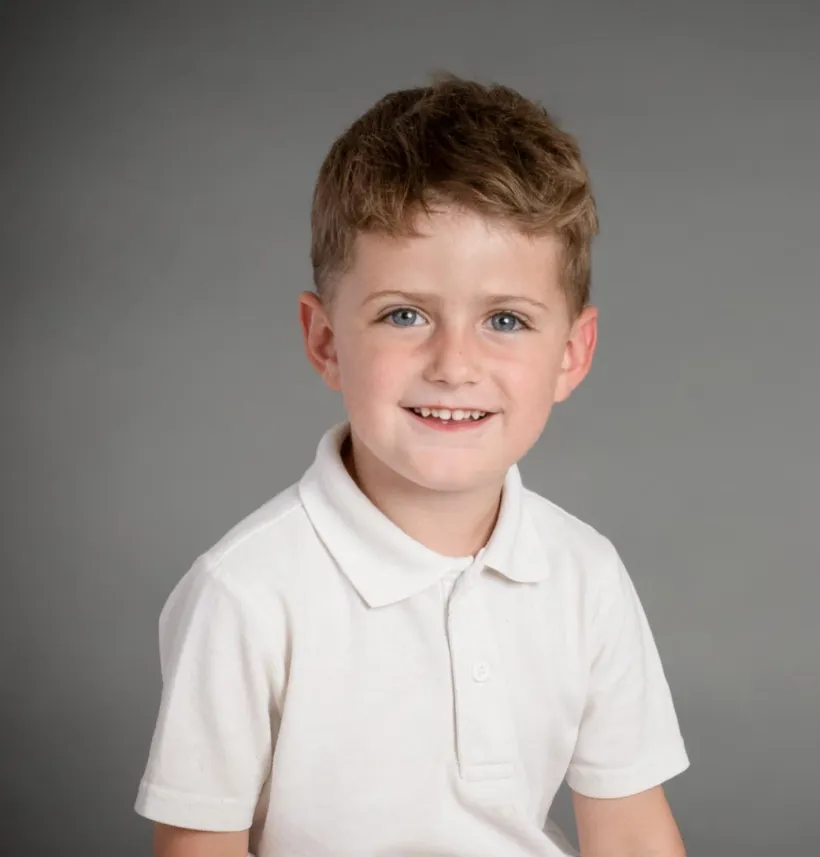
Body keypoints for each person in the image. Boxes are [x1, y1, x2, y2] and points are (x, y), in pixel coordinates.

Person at [133, 75, 690, 857]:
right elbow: (199, 846)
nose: (454, 364)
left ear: (572, 353)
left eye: (505, 319)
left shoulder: (586, 575)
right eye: (405, 314)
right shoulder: (248, 592)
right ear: (325, 340)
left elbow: (631, 832)